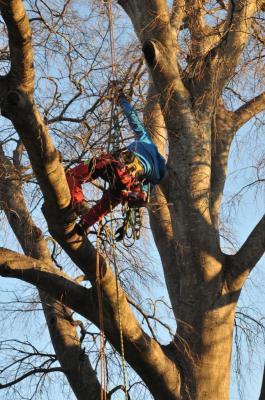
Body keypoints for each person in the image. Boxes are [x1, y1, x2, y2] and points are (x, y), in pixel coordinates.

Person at [65, 93, 166, 234]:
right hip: (128, 183)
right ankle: (84, 223)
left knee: (73, 174)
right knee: (112, 200)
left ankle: (79, 203)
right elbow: (143, 191)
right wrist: (126, 225)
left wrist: (122, 100)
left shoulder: (146, 140)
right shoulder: (155, 175)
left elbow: (133, 118)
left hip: (117, 165)